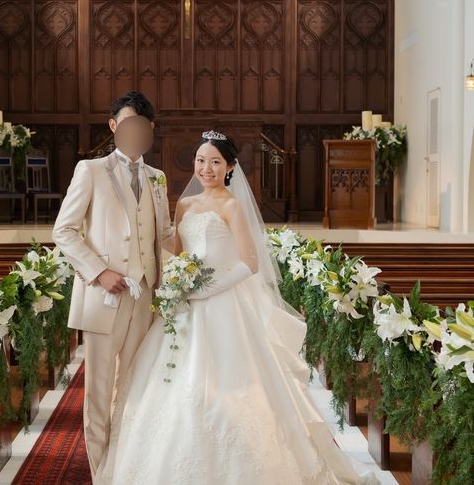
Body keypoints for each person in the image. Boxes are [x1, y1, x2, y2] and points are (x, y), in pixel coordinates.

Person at [95, 130, 377, 485]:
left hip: (223, 304)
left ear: (229, 167)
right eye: (201, 160)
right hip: (185, 304)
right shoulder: (185, 205)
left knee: (231, 387)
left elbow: (250, 262)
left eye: (215, 162)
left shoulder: (231, 205)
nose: (206, 168)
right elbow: (179, 252)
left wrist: (207, 289)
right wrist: (176, 281)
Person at [52, 91, 173, 477]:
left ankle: (125, 469)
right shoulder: (90, 170)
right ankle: (99, 474)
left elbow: (164, 236)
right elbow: (64, 231)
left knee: (134, 389)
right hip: (104, 297)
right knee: (100, 394)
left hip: (145, 297)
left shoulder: (157, 178)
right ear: (113, 126)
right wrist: (99, 271)